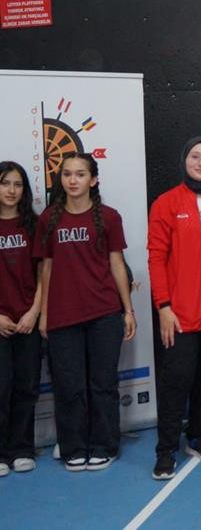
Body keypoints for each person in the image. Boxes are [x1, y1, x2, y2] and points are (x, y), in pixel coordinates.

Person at [34, 153, 136, 471]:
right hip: (63, 316)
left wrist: (128, 310)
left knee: (103, 384)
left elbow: (117, 263)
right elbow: (46, 268)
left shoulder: (109, 217)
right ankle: (73, 447)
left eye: (80, 174)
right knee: (69, 386)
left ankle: (105, 445)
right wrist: (44, 314)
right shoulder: (48, 219)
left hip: (104, 313)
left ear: (93, 180)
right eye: (67, 174)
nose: (73, 180)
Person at [147, 137, 201, 479]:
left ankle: (198, 436)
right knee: (175, 382)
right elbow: (156, 258)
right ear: (184, 160)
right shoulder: (166, 203)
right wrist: (163, 306)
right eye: (195, 156)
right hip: (179, 314)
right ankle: (166, 449)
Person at [0, 162, 42, 476]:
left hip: (28, 319)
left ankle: (22, 449)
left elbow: (45, 274)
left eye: (17, 184)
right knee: (2, 387)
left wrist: (34, 312)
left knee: (27, 387)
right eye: (5, 183)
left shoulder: (33, 225)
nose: (11, 190)